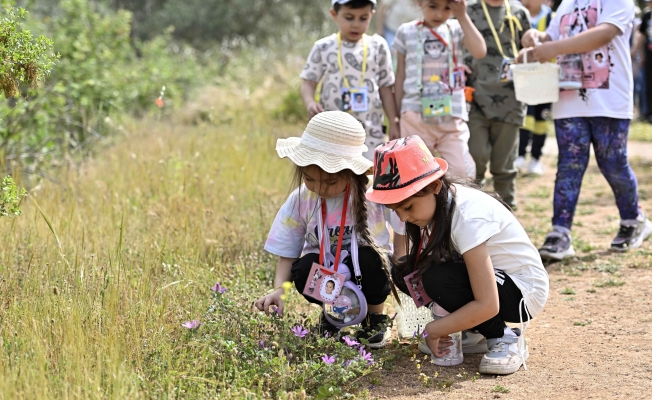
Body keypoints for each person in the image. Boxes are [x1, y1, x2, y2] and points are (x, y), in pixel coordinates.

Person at [366, 135, 549, 375]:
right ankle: (473, 329)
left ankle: (504, 337)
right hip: (493, 283)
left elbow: (487, 303)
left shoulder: (467, 216)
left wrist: (434, 329)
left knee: (438, 279)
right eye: (395, 210)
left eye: (407, 207)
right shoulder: (436, 207)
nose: (402, 218)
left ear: (434, 186)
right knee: (406, 273)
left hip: (523, 292)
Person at [254, 111, 406, 348]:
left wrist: (401, 260)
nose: (320, 188)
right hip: (328, 276)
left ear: (351, 173)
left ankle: (375, 318)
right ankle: (334, 316)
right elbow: (288, 253)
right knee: (304, 268)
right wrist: (279, 291)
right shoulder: (301, 199)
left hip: (368, 272)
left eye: (330, 182)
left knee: (372, 258)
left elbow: (403, 223)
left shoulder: (373, 195)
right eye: (310, 179)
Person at [523, 0, 652, 260]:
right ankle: (560, 232)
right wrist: (536, 36)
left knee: (613, 162)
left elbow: (605, 32)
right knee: (569, 165)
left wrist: (552, 46)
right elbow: (552, 36)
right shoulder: (567, 4)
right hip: (568, 98)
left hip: (609, 99)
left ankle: (633, 220)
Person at [393, 0, 486, 180]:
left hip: (451, 117)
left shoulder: (457, 29)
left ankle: (454, 206)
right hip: (415, 116)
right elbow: (400, 75)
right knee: (415, 174)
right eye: (433, 6)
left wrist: (462, 15)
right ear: (420, 2)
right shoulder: (406, 31)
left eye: (447, 8)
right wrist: (396, 117)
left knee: (462, 173)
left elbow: (480, 51)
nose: (439, 14)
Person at [300, 0, 400, 161]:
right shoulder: (323, 47)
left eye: (363, 18)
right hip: (333, 134)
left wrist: (394, 123)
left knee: (369, 178)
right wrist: (310, 102)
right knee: (335, 179)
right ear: (334, 14)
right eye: (349, 17)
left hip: (371, 134)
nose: (356, 24)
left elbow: (386, 88)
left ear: (372, 16)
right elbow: (308, 83)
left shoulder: (378, 46)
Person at [465, 0, 532, 210]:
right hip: (474, 100)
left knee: (504, 166)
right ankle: (471, 214)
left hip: (510, 101)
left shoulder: (519, 12)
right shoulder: (467, 11)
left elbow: (530, 52)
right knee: (474, 160)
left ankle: (507, 213)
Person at [514, 0, 554, 176]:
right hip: (525, 76)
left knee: (541, 119)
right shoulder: (517, 15)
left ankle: (536, 159)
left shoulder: (552, 17)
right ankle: (520, 155)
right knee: (524, 117)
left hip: (547, 77)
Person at [634, 1, 652, 122]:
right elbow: (642, 36)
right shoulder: (647, 15)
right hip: (649, 56)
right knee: (648, 85)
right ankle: (648, 114)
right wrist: (637, 52)